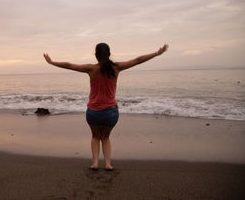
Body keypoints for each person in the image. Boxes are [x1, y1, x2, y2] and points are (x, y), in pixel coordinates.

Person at [43, 43, 169, 171]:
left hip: (93, 112)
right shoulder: (116, 67)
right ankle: (108, 164)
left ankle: (95, 163)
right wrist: (157, 53)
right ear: (109, 54)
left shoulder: (91, 69)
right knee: (106, 137)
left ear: (96, 55)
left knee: (95, 137)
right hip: (111, 112)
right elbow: (137, 61)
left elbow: (70, 65)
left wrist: (52, 62)